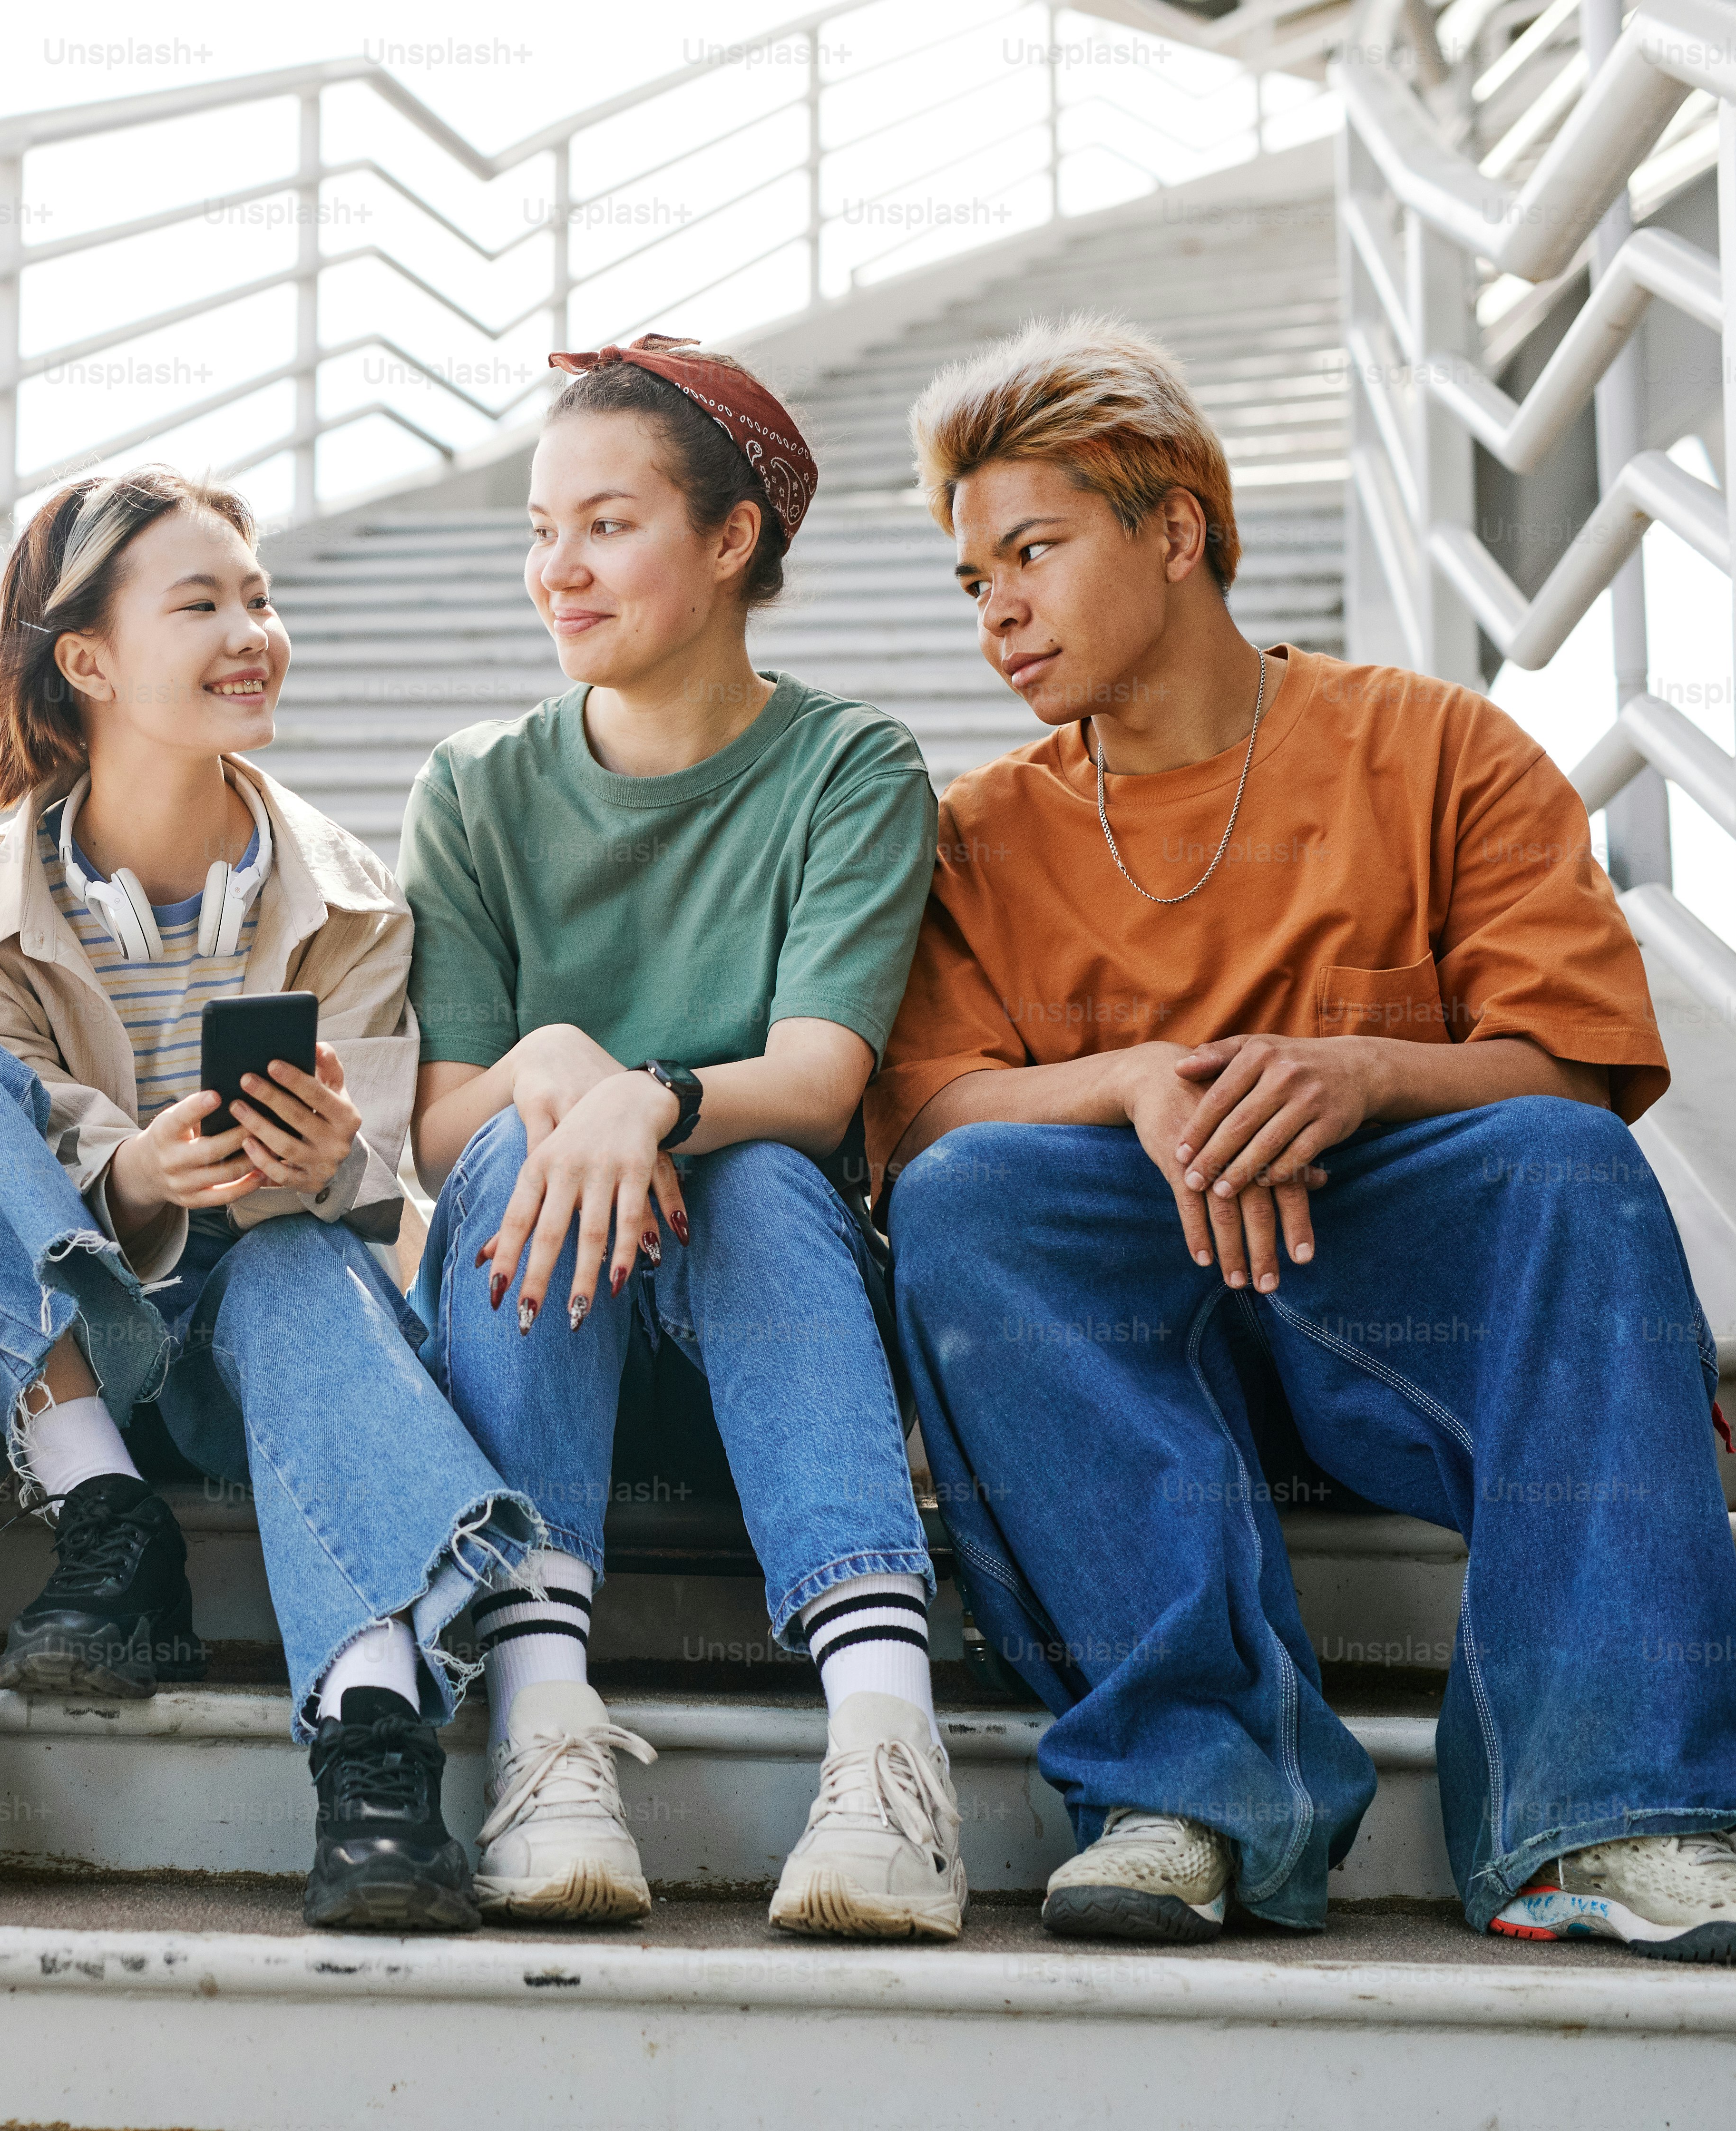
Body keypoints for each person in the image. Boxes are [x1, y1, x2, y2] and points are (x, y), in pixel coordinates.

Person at [869, 315, 1736, 1963]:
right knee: (970, 1196)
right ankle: (1191, 1795)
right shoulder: (979, 833)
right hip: (1130, 1348)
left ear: (1175, 527)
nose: (1001, 613)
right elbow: (934, 1106)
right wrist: (1139, 1080)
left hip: (1384, 1330)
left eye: (1032, 551)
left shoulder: (1437, 747)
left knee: (1562, 1159)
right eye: (974, 584)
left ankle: (1599, 1818)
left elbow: (1577, 1063)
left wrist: (1364, 1073)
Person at [0, 464, 539, 1931]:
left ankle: (374, 1747)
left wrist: (327, 1170)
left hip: (267, 1341)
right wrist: (128, 1172)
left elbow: (391, 1194)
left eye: (260, 596)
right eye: (204, 603)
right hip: (69, 1343)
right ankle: (110, 1519)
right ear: (89, 661)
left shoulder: (358, 897)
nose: (254, 630)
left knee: (304, 1267)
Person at [401, 336, 964, 1938]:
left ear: (729, 544)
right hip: (545, 1328)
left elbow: (823, 1077)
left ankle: (885, 1747)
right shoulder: (477, 787)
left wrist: (643, 1092)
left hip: (770, 1345)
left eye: (606, 523)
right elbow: (444, 1129)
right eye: (537, 528)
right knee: (521, 1147)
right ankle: (540, 1727)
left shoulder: (850, 767)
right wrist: (558, 1074)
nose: (556, 570)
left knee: (764, 1167)